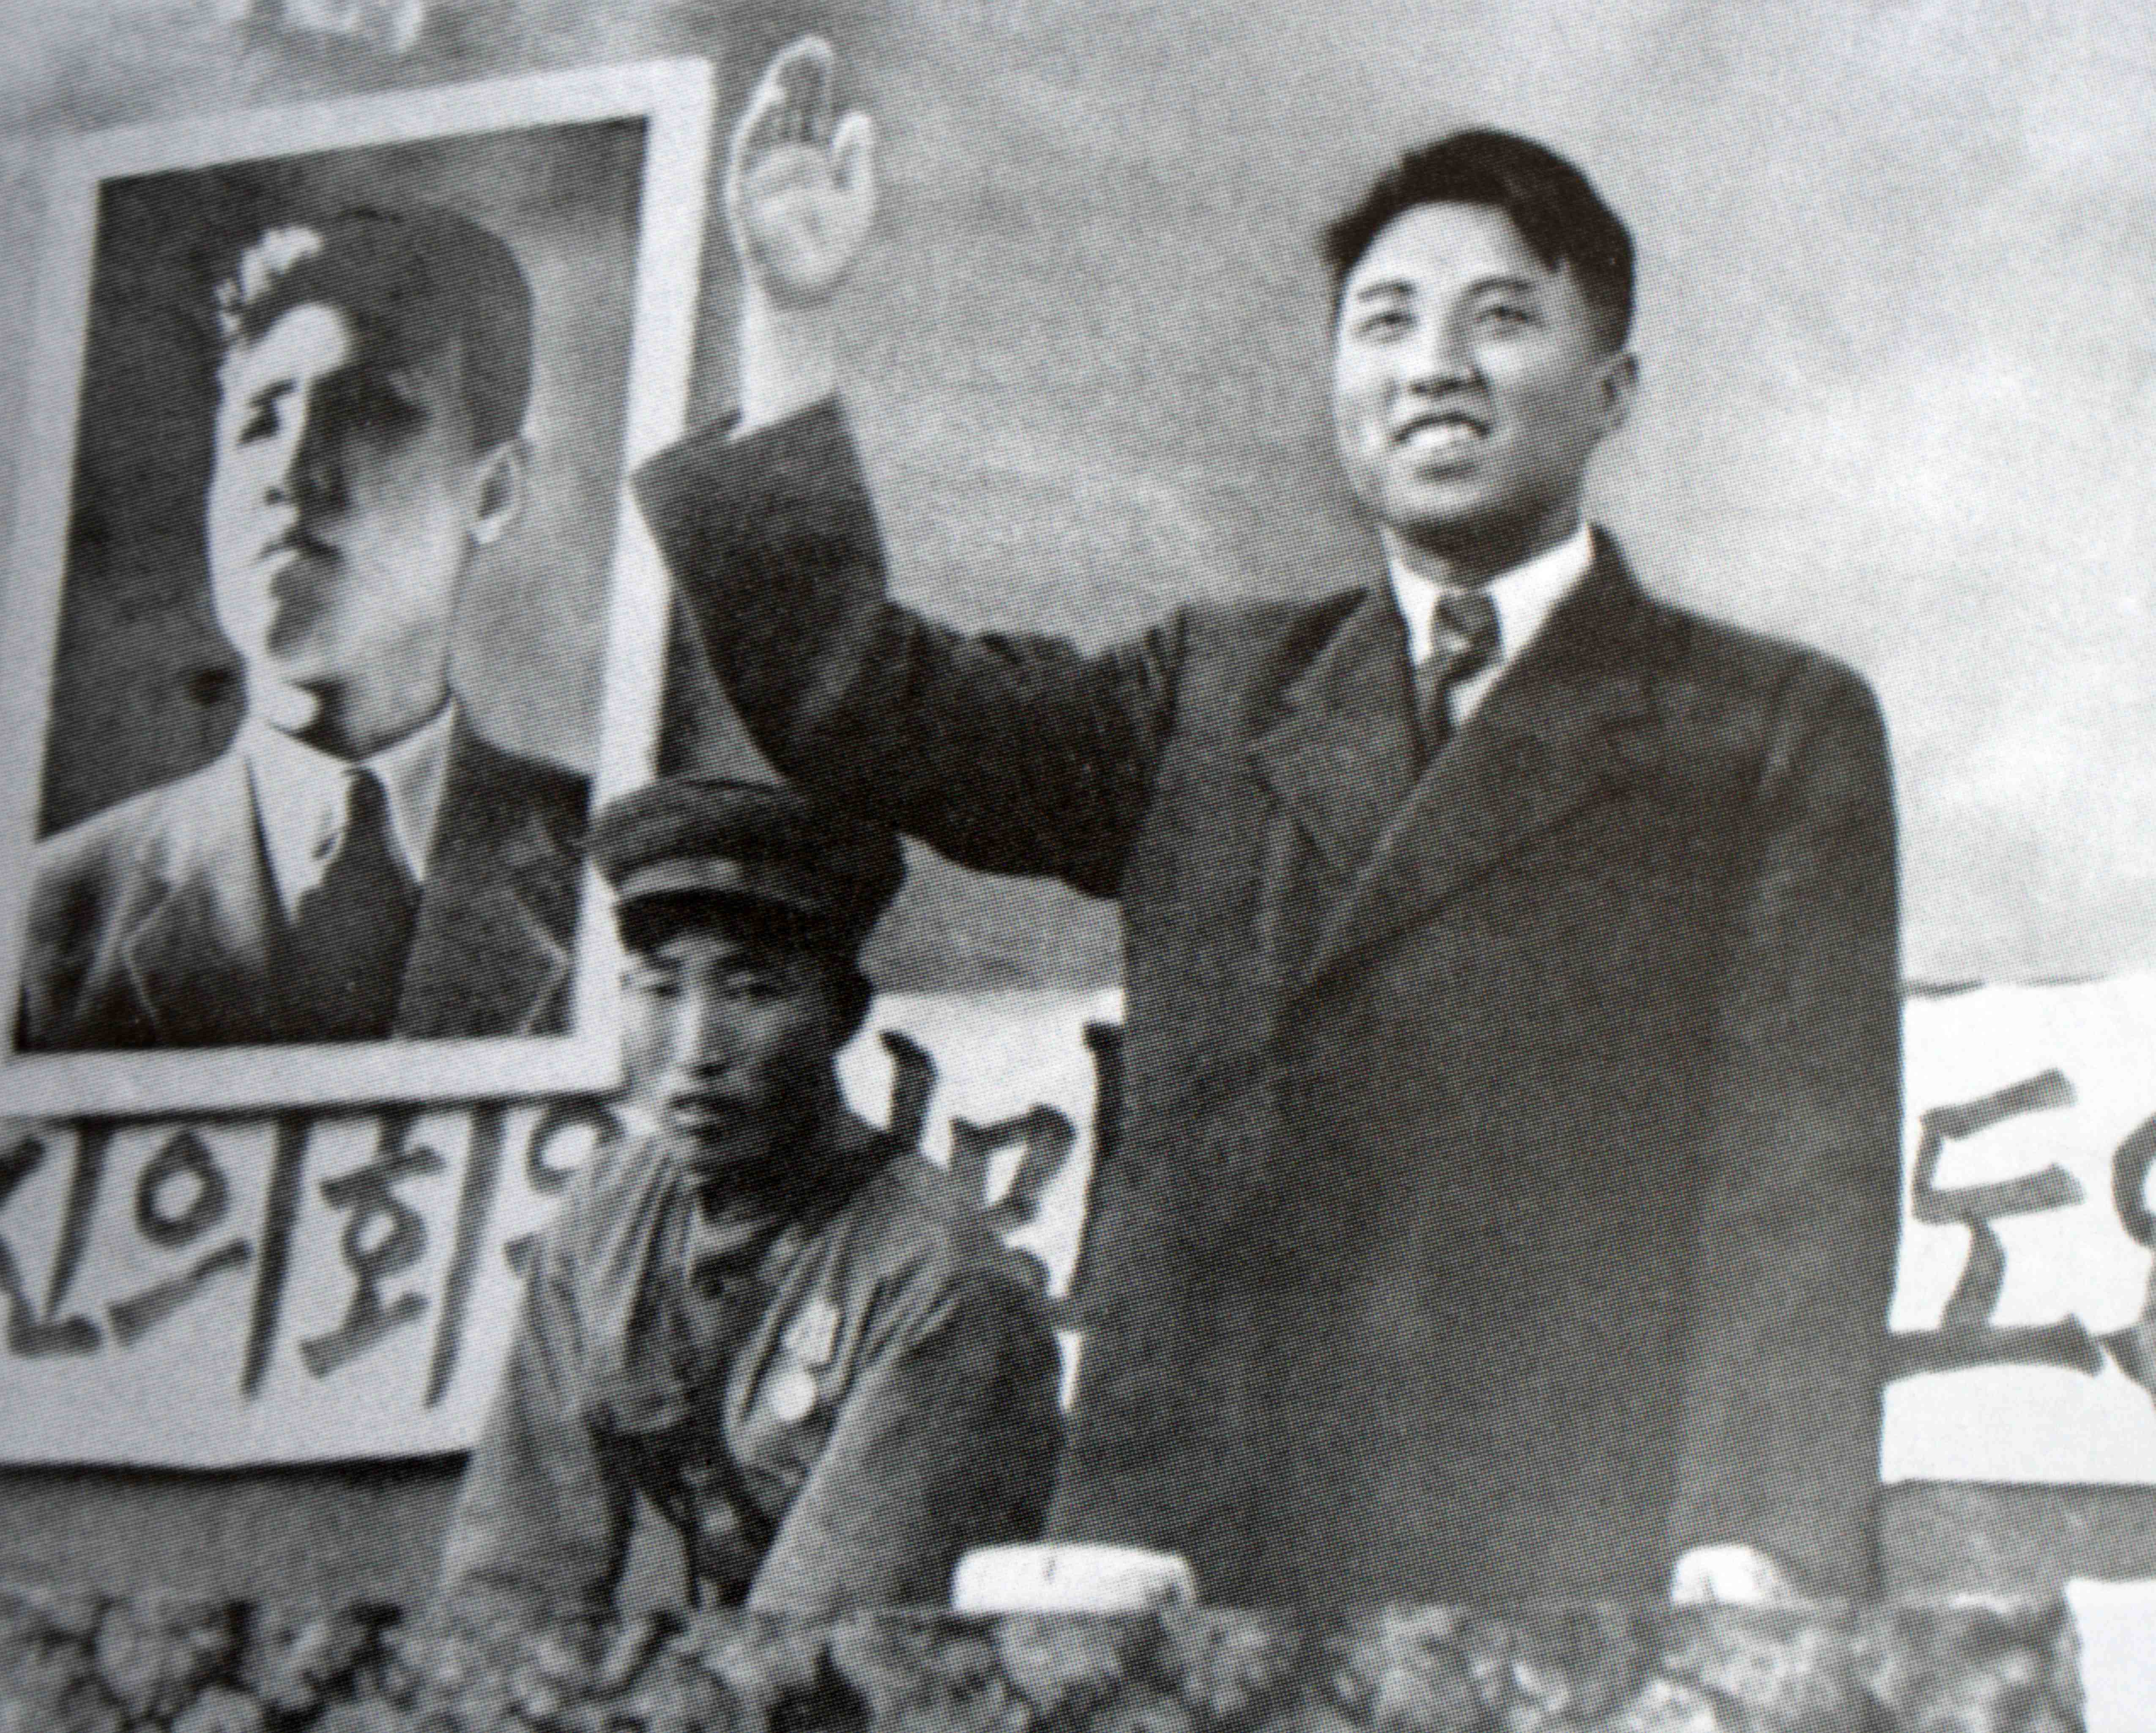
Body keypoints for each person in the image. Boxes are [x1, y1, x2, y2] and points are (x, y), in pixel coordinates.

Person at [631, 40, 1902, 1608]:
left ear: (1614, 388)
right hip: (1200, 1559)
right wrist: (791, 317)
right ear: (1336, 393)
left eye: (1502, 318)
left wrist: (1760, 1546)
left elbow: (1803, 1176)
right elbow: (859, 699)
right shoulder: (1209, 696)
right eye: (1386, 322)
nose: (1435, 363)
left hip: (1574, 1556)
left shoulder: (1765, 727)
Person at [436, 776, 1064, 1623]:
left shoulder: (941, 1281)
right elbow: (514, 1578)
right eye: (659, 988)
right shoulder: (607, 1212)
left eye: (752, 991)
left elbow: (824, 1644)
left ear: (840, 1016)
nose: (696, 1049)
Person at [18, 204, 588, 1051]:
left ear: (495, 492)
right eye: (259, 421)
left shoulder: (604, 871)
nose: (289, 472)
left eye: (368, 410)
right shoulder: (49, 909)